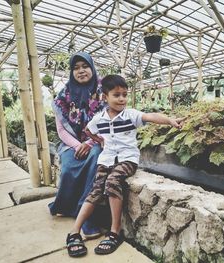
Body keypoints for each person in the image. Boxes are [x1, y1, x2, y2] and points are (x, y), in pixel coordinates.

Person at [66, 74, 183, 257]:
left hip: (127, 160)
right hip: (106, 159)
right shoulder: (99, 118)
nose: (122, 99)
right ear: (105, 97)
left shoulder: (131, 115)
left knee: (112, 181)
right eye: (117, 95)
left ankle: (115, 231)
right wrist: (99, 140)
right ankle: (74, 232)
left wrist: (169, 120)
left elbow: (150, 116)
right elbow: (87, 130)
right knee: (95, 190)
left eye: (124, 94)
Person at [48, 52, 105, 239]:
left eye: (85, 66)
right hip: (70, 143)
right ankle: (65, 206)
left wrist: (89, 143)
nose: (81, 71)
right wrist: (77, 145)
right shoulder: (63, 96)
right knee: (67, 168)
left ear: (92, 67)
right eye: (76, 68)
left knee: (95, 158)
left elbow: (108, 122)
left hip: (96, 142)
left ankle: (86, 216)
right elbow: (61, 130)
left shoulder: (104, 90)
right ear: (72, 72)